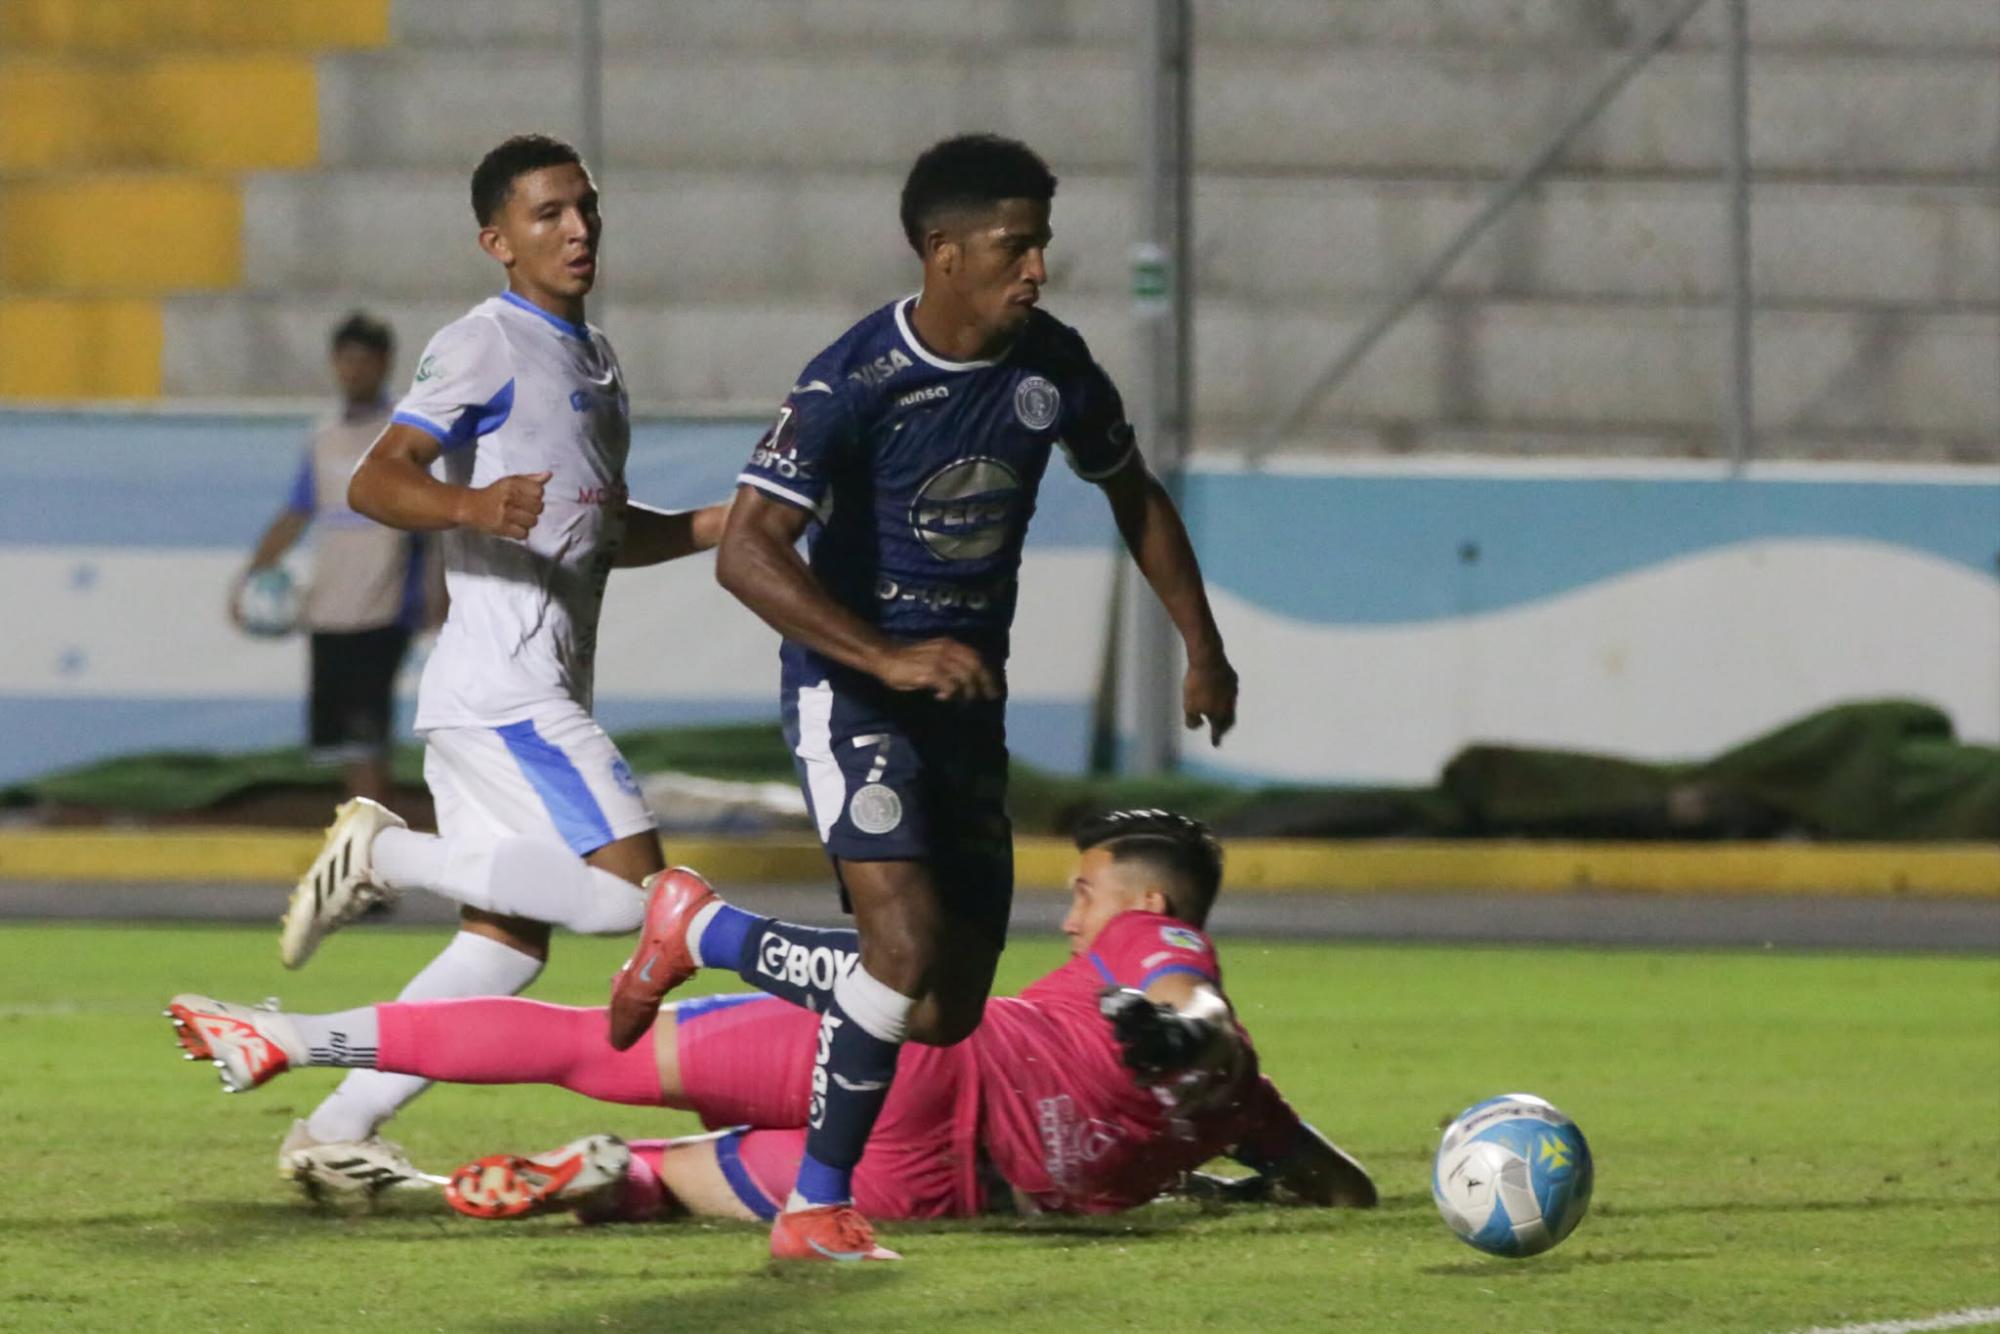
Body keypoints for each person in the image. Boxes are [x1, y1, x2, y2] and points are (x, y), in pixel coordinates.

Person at [602, 133, 1241, 1260]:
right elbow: (747, 550)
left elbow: (1132, 492)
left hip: (964, 706)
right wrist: (885, 658)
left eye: (1041, 244)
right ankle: (816, 1207)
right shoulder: (851, 378)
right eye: (1014, 247)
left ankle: (702, 926)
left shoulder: (1054, 366)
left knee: (943, 1009)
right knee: (899, 950)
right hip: (851, 693)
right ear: (943, 253)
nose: (1036, 268)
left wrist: (1202, 642)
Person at [167, 812, 1375, 1233]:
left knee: (588, 1042)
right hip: (932, 1186)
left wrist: (1184, 1024)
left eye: (1085, 892)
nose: (1071, 917)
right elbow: (1339, 1187)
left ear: (1146, 904)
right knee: (672, 1183)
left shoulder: (1157, 950)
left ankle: (294, 1039)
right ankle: (613, 1178)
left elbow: (1183, 996)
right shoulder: (1243, 1099)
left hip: (914, 1060)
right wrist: (1229, 1174)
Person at [268, 133, 730, 1198]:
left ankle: (334, 1129)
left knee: (506, 947)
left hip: (516, 689)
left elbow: (597, 528)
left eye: (585, 208)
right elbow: (377, 480)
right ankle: (388, 852)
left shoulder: (595, 357)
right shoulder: (484, 342)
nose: (576, 229)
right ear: (498, 241)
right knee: (635, 900)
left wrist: (717, 524)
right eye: (547, 214)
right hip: (505, 689)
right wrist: (471, 504)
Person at [232, 312, 437, 808]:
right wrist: (250, 577)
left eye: (365, 361)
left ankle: (373, 844)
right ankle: (360, 839)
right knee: (342, 743)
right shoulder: (323, 438)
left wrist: (436, 586)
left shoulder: (404, 433)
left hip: (384, 607)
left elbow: (433, 518)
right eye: (346, 361)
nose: (354, 371)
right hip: (328, 609)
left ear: (385, 363)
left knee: (368, 739)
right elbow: (297, 512)